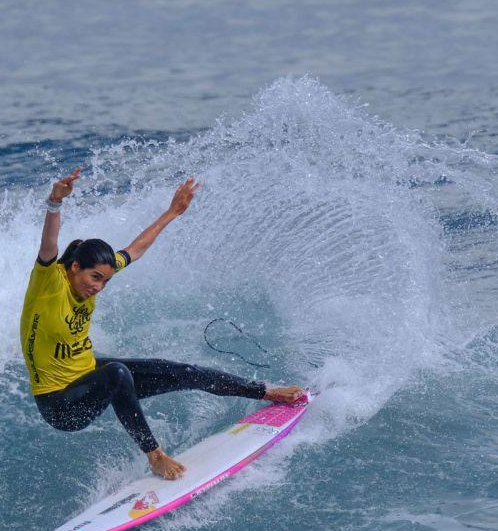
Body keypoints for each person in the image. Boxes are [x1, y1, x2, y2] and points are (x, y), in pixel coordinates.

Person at [19, 166, 304, 480]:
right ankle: (154, 456)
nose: (98, 287)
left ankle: (264, 392)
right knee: (116, 372)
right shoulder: (47, 286)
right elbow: (48, 246)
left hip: (88, 376)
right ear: (74, 268)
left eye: (105, 280)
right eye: (94, 278)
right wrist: (54, 203)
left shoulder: (98, 273)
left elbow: (136, 249)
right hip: (61, 405)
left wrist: (173, 212)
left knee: (183, 372)